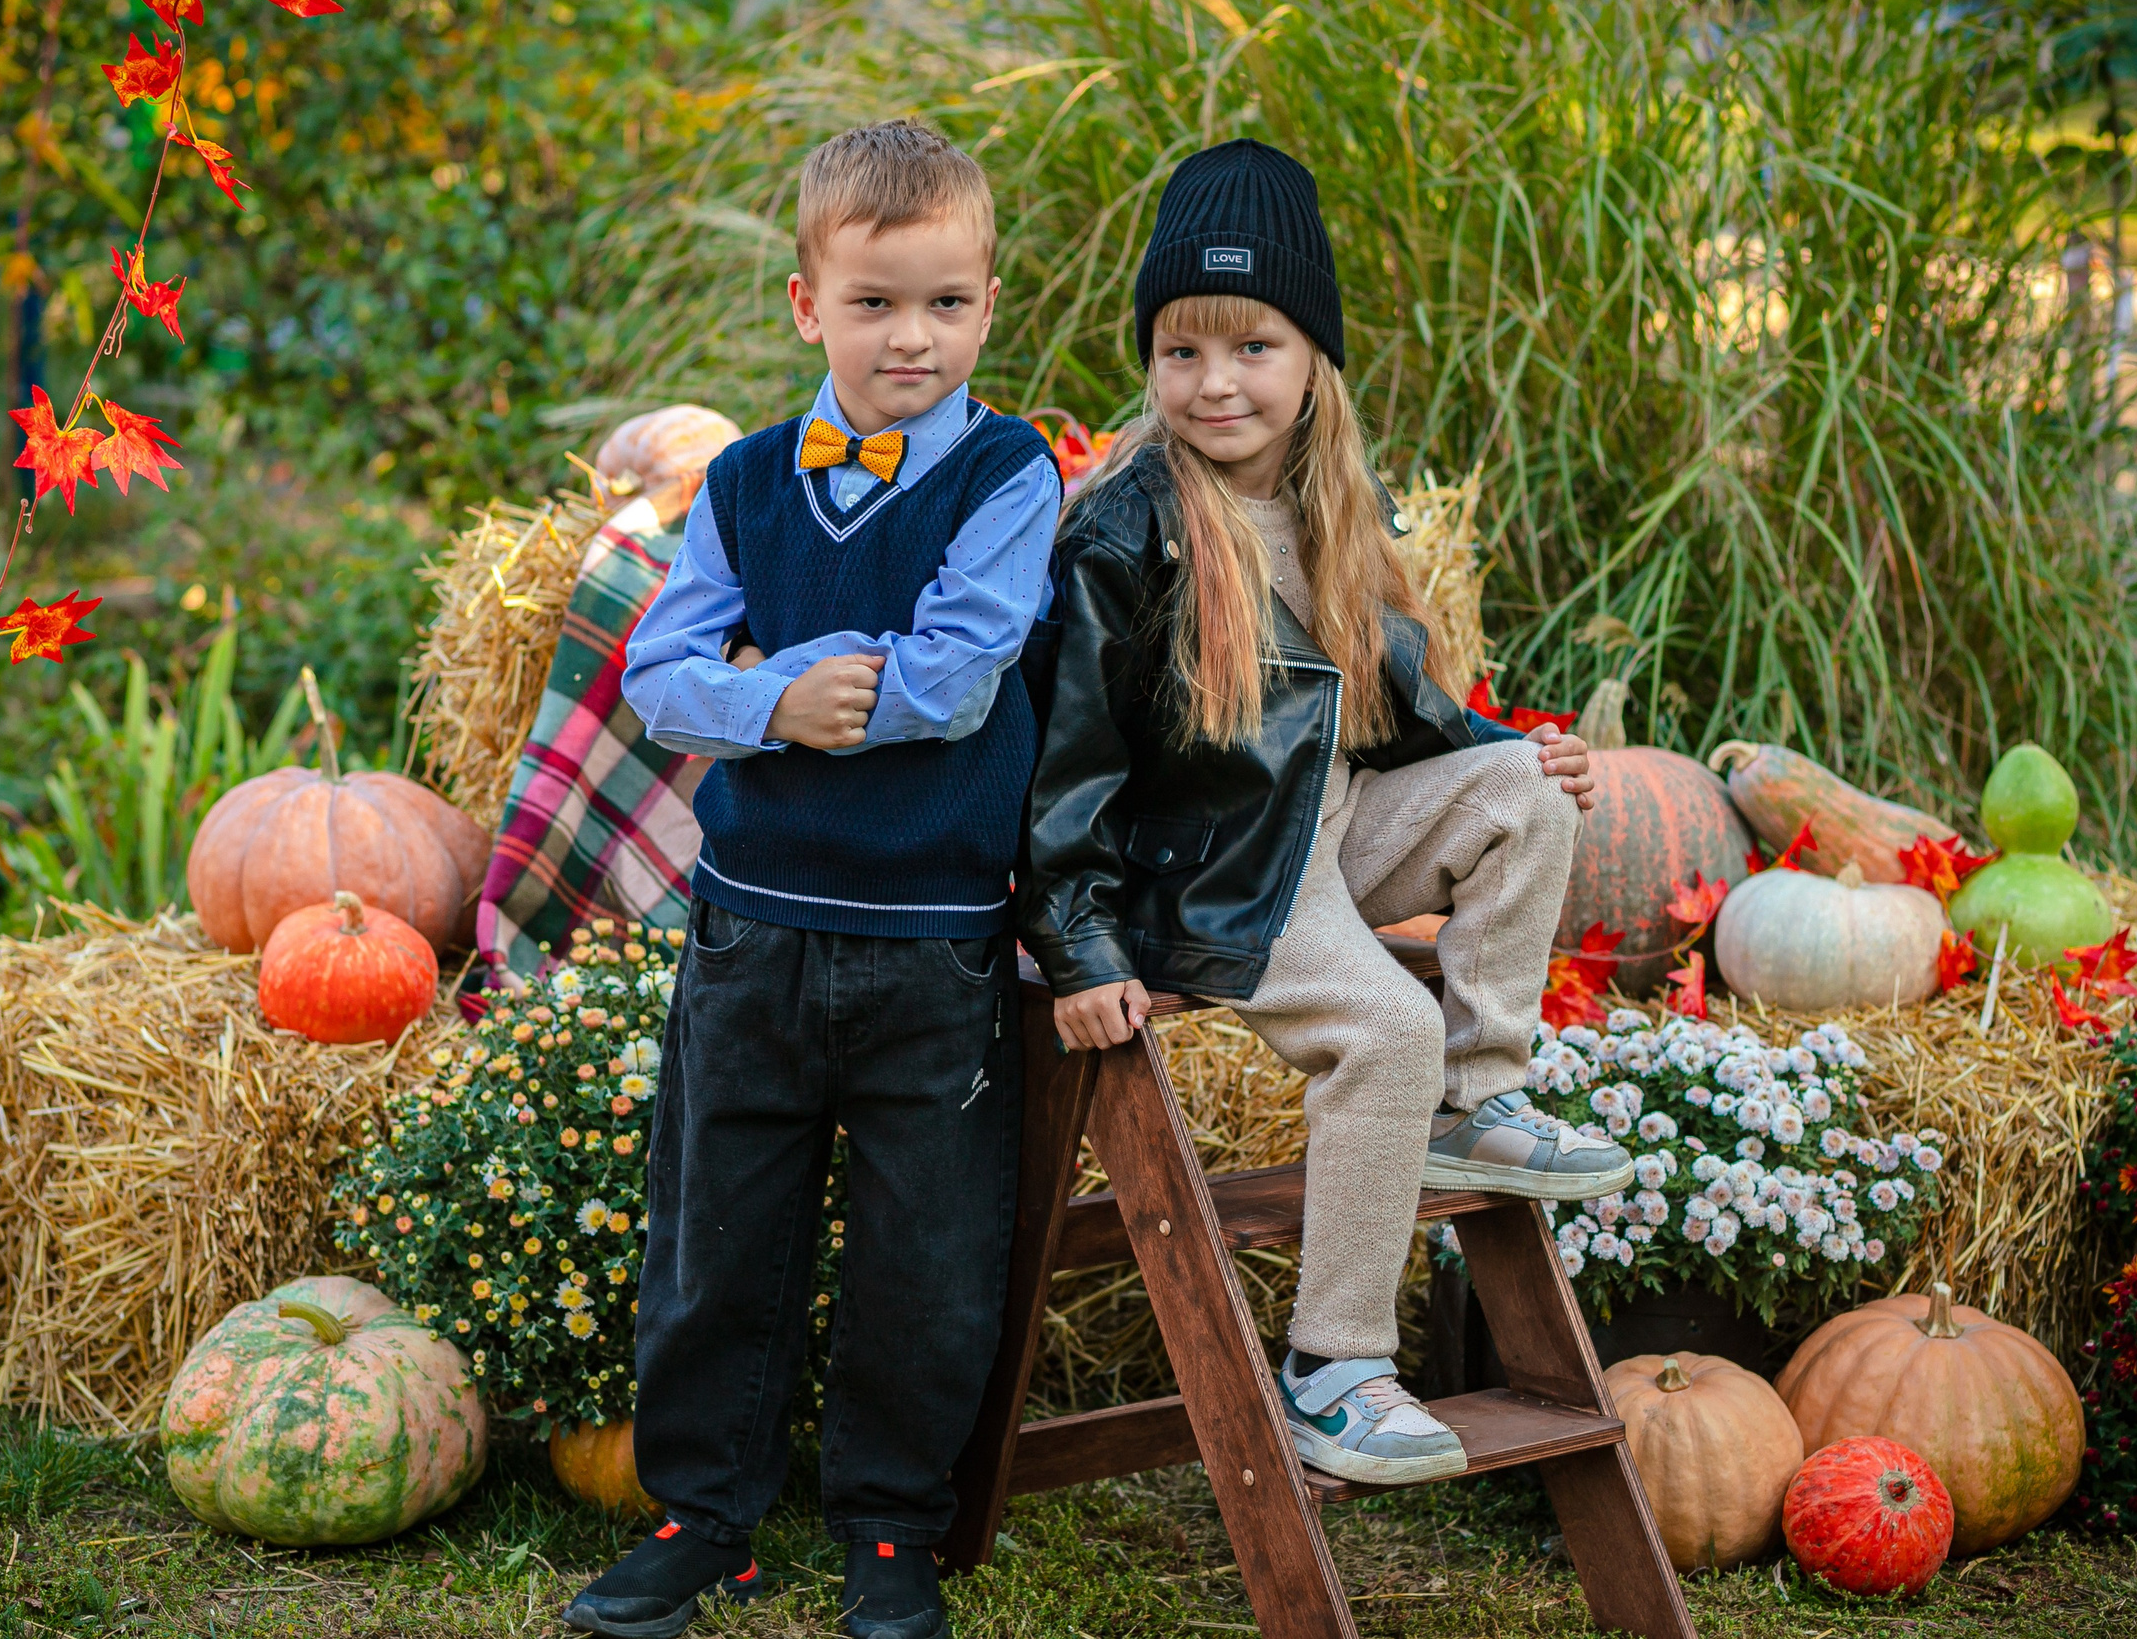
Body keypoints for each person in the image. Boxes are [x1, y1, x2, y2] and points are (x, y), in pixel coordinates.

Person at [1019, 140, 1634, 1488]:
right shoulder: (1125, 530)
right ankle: (1334, 1368)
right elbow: (1059, 761)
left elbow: (1403, 705)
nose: (1216, 382)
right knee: (1384, 1027)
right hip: (1212, 875)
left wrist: (1510, 750)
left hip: (1324, 826)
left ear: (1314, 363)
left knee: (1526, 796)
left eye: (1253, 345)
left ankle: (1483, 1098)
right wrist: (1077, 943)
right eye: (1183, 351)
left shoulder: (1329, 507)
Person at [564, 119, 1059, 1639]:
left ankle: (892, 1528)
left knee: (926, 1251)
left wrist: (793, 678)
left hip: (932, 939)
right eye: (874, 303)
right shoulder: (750, 485)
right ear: (805, 304)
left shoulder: (1007, 470)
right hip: (754, 929)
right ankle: (700, 1513)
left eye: (947, 306)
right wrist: (766, 701)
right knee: (720, 1230)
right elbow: (660, 672)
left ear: (987, 302)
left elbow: (959, 675)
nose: (912, 338)